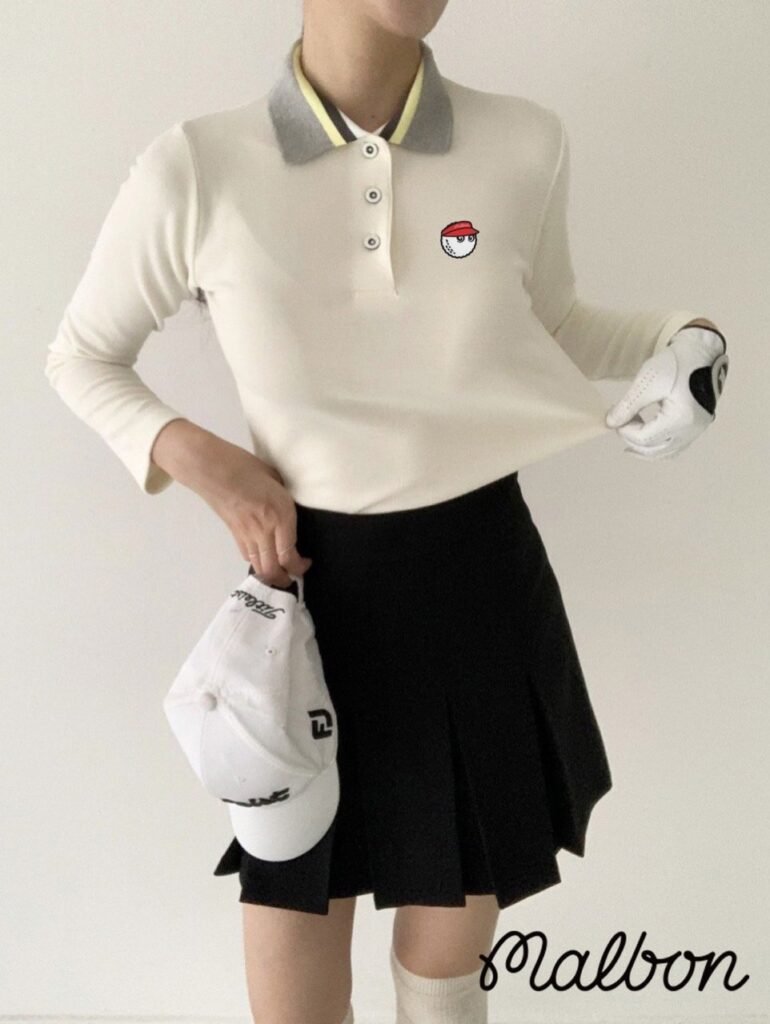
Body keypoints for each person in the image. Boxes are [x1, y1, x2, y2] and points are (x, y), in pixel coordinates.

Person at [44, 1, 728, 1022]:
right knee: (294, 965)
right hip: (305, 606)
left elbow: (553, 324)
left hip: (482, 587)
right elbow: (82, 356)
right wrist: (209, 462)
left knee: (444, 981)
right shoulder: (197, 165)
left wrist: (688, 338)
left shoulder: (523, 141)